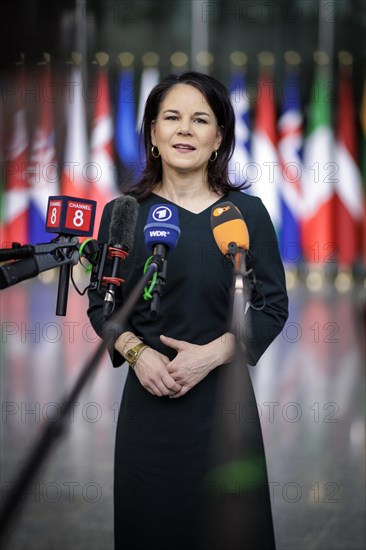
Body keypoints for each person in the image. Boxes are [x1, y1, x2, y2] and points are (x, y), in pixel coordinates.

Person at [87, 71, 288, 550]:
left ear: (218, 137)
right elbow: (102, 303)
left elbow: (272, 305)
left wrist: (213, 353)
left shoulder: (246, 213)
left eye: (200, 120)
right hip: (148, 411)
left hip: (224, 408)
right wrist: (137, 353)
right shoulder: (123, 214)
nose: (184, 129)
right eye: (171, 117)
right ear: (153, 132)